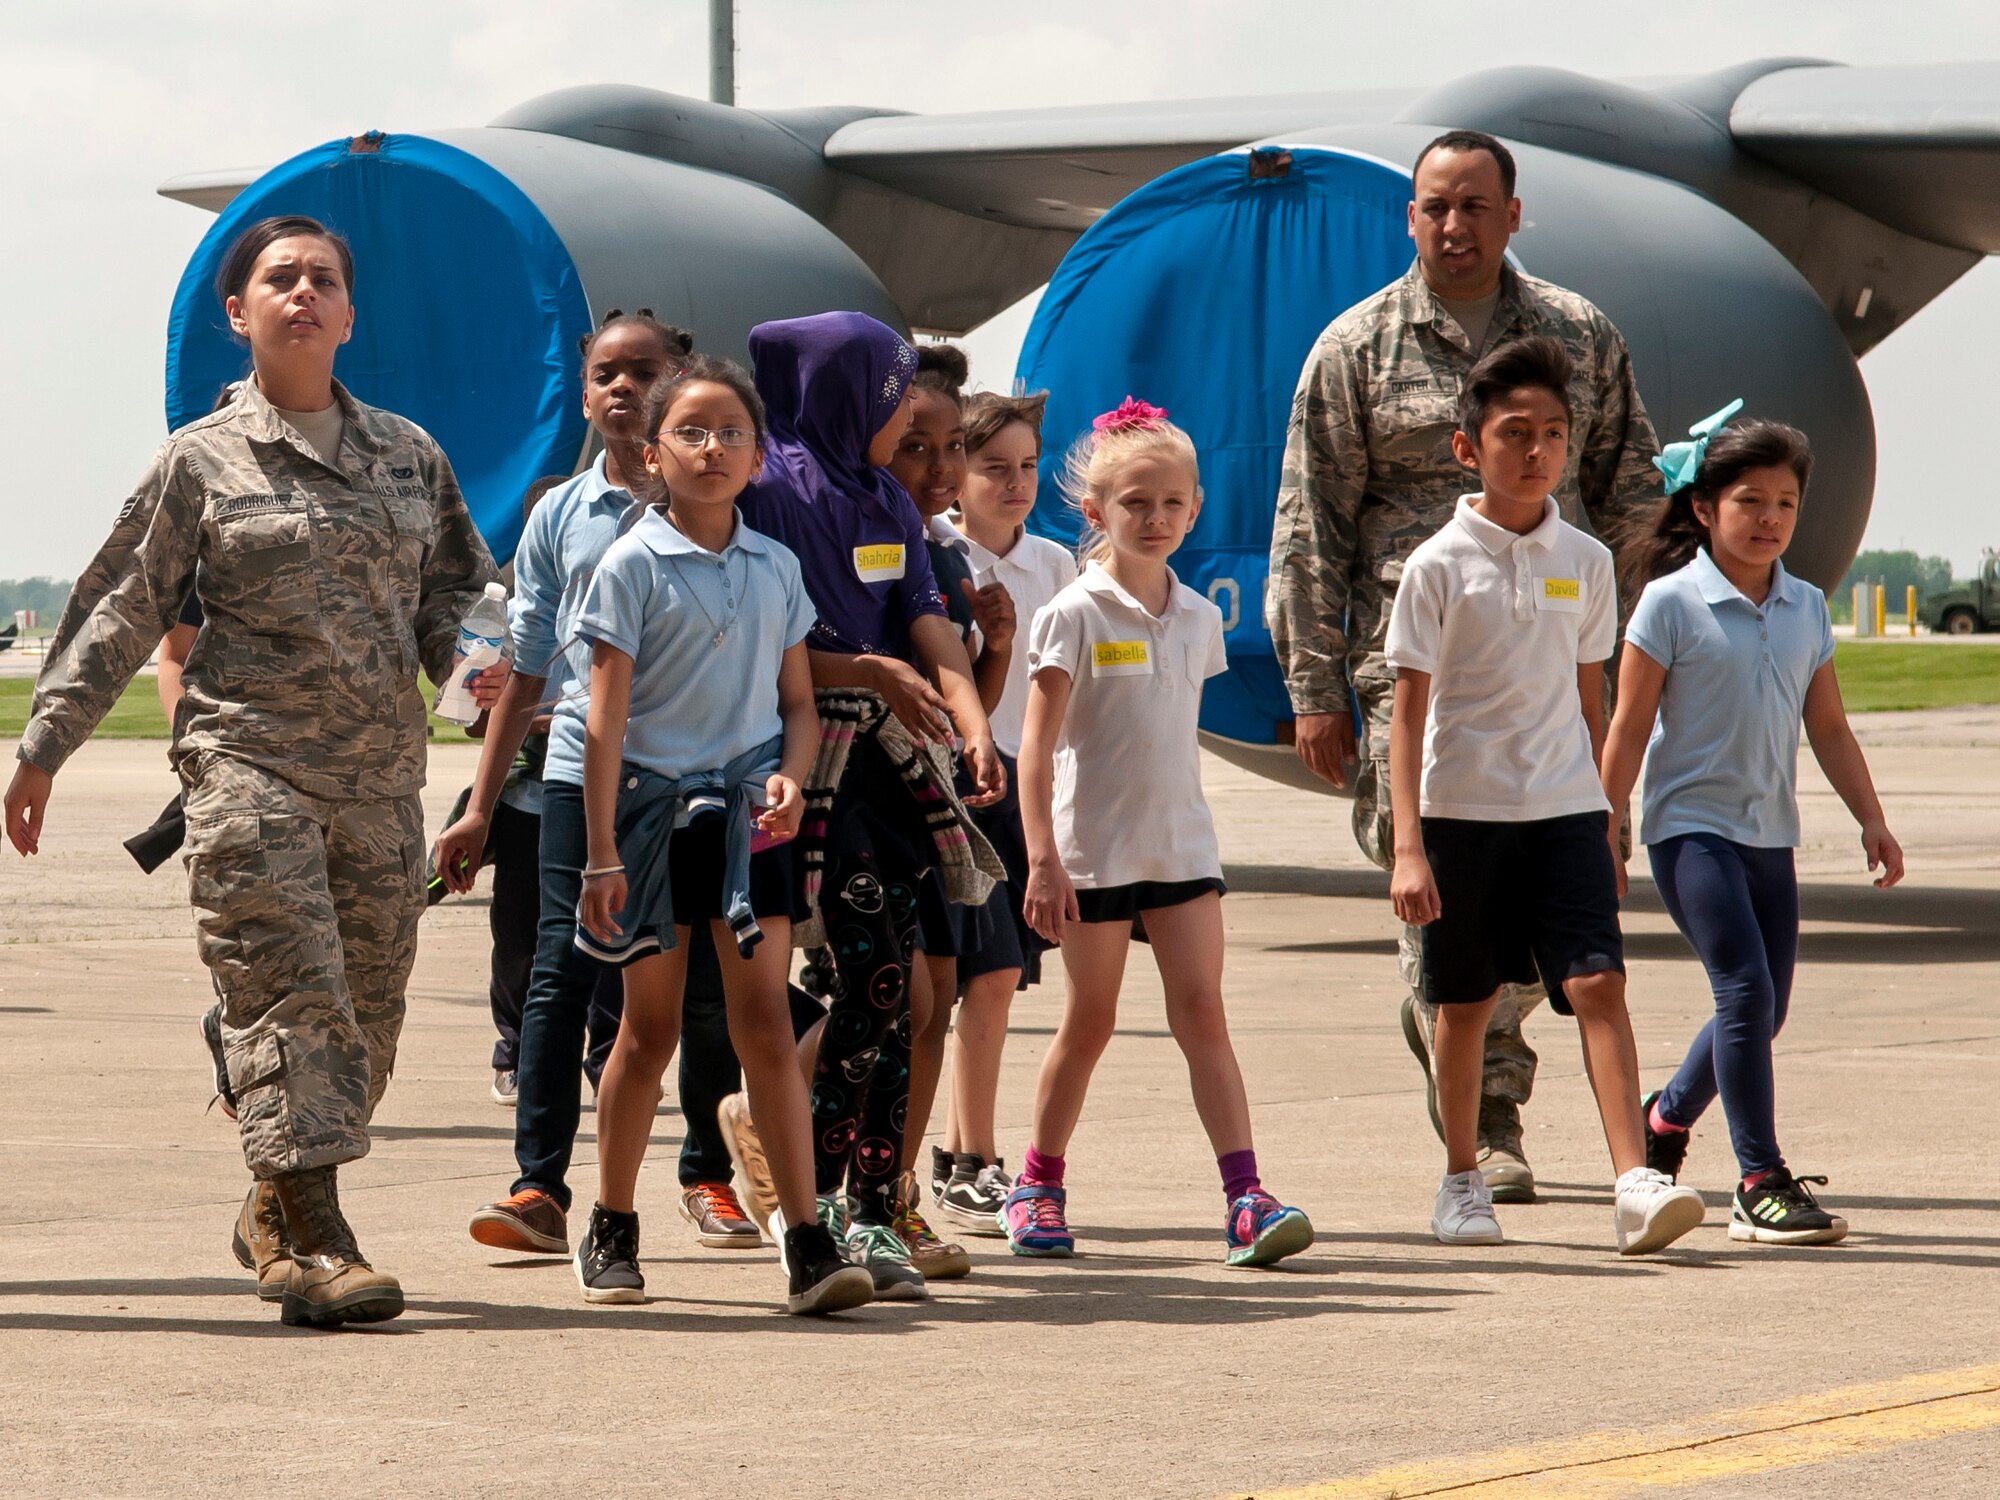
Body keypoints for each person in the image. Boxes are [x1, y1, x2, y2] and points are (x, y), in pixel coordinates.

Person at [4, 215, 504, 1326]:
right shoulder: (201, 460)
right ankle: (316, 1246)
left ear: (348, 313)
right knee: (297, 996)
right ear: (240, 313)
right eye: (280, 278)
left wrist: (485, 683)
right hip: (248, 766)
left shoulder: (408, 453)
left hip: (379, 778)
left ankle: (273, 1200)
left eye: (324, 279)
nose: (304, 293)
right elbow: (122, 609)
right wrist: (44, 745)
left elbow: (459, 602)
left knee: (368, 1024)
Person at [1268, 128, 1662, 1201]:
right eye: (1434, 206)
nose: (1454, 225)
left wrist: (1647, 657)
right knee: (1436, 903)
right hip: (1414, 676)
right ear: (1409, 218)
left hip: (1553, 677)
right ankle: (1487, 1123)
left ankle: (1491, 1053)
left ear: (1511, 216)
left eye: (1474, 206)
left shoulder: (1579, 337)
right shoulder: (1354, 349)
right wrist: (1311, 689)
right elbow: (1309, 526)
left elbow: (1631, 499)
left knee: (1557, 922)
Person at [447, 312, 768, 1256]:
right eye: (604, 374)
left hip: (702, 782)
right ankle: (538, 1187)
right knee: (560, 973)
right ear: (584, 395)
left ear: (678, 391)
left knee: (705, 988)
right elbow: (527, 665)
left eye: (643, 372)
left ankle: (705, 1172)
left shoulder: (730, 505)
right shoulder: (558, 516)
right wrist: (476, 804)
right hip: (575, 782)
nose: (621, 388)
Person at [1381, 336, 1702, 1254]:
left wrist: (1608, 817)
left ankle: (1634, 1179)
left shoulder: (1588, 561)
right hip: (1462, 816)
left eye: (1554, 434)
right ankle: (1459, 1177)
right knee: (1467, 1005)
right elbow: (1409, 714)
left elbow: (1591, 695)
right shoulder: (1437, 565)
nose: (1537, 451)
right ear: (1467, 446)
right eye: (1515, 432)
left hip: (1565, 813)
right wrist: (1408, 845)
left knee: (1599, 981)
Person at [566, 357, 873, 1314]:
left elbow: (796, 703)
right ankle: (612, 1224)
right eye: (692, 432)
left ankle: (808, 1239)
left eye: (732, 432)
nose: (713, 448)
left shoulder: (776, 566)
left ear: (757, 452)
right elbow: (605, 724)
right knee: (649, 1031)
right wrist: (602, 852)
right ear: (653, 452)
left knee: (767, 1027)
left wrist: (790, 774)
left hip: (750, 820)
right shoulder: (630, 564)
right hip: (654, 821)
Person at [1001, 398, 1312, 1268]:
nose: (1156, 518)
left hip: (1182, 850)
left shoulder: (1199, 618)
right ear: (1096, 512)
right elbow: (1035, 750)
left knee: (1204, 1015)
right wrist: (1042, 860)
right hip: (1092, 854)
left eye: (1173, 502)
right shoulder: (1075, 612)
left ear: (1196, 508)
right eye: (1136, 503)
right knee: (1090, 1021)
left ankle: (1246, 1197)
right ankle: (1037, 1187)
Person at [737, 311, 1007, 1302]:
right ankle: (814, 1200)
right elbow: (750, 638)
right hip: (811, 756)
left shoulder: (883, 496)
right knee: (878, 981)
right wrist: (865, 667)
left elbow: (927, 626)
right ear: (844, 393)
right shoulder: (765, 488)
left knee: (904, 997)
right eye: (893, 397)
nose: (903, 416)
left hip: (893, 766)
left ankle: (867, 1203)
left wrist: (972, 719)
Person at [1601, 409, 1903, 1246]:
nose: (1770, 519)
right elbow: (1627, 727)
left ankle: (1663, 1120)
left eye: (1785, 504)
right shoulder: (1669, 602)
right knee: (1743, 990)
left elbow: (1831, 728)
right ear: (1704, 508)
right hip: (1688, 826)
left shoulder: (1806, 607)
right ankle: (1759, 1179)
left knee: (1763, 1010)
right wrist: (1605, 826)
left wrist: (1872, 819)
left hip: (1772, 831)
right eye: (1750, 501)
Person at [874, 342, 1009, 1279]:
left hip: (938, 799)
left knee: (939, 996)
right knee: (896, 993)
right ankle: (781, 1127)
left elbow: (968, 705)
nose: (938, 468)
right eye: (914, 445)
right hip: (861, 791)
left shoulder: (953, 554)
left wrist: (993, 648)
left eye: (951, 446)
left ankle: (898, 1194)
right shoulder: (858, 536)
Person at [932, 389, 1076, 1234]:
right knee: (976, 976)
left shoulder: (1055, 566)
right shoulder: (938, 555)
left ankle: (960, 1155)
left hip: (1031, 789)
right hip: (962, 784)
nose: (1015, 483)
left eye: (1027, 466)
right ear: (958, 476)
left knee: (1002, 980)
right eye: (994, 467)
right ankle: (976, 1161)